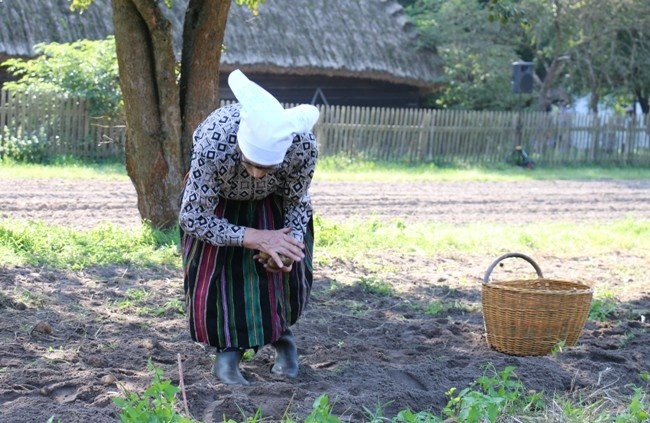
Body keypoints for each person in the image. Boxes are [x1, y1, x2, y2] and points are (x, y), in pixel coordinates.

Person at [179, 69, 319, 385]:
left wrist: (289, 244)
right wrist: (252, 236)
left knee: (280, 276)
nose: (256, 174)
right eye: (250, 163)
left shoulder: (303, 146)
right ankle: (228, 355)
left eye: (266, 167)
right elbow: (192, 217)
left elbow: (297, 201)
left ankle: (285, 344)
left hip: (274, 203)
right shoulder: (214, 141)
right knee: (224, 276)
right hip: (218, 204)